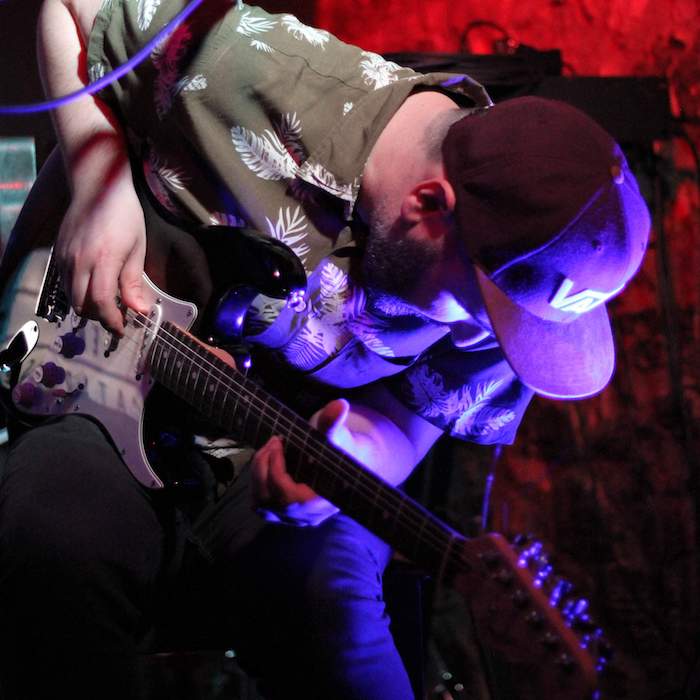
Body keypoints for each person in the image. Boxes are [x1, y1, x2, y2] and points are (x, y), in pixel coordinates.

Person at [0, 1, 650, 699]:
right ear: (429, 208)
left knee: (344, 639)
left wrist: (356, 452)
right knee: (50, 540)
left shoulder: (511, 277)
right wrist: (98, 188)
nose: (477, 338)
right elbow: (69, 7)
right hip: (93, 371)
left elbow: (410, 420)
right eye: (476, 311)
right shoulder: (249, 66)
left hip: (261, 464)